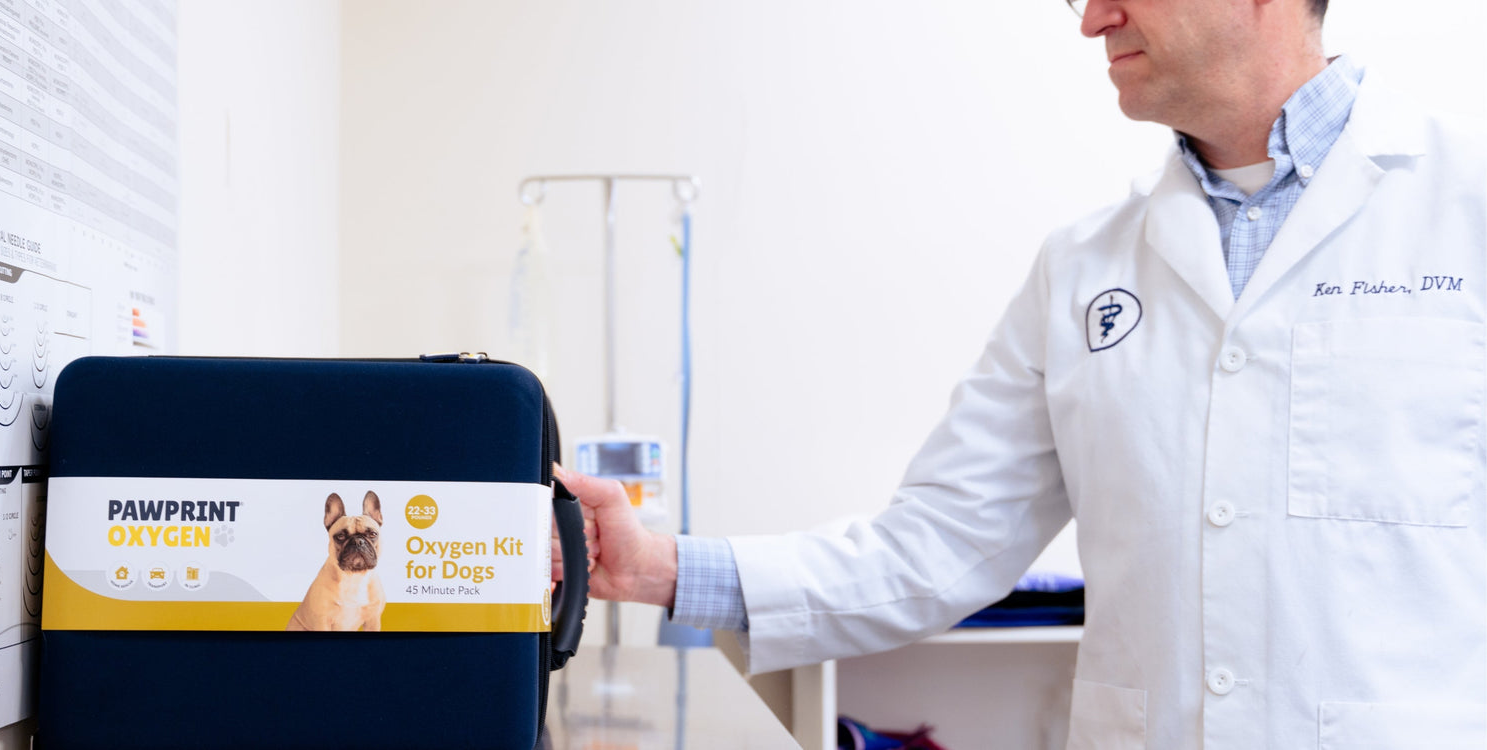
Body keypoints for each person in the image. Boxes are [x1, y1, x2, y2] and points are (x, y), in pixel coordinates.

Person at [556, 0, 1486, 746]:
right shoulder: (1082, 269)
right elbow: (940, 544)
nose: (1091, 21)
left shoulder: (1465, 209)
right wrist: (656, 568)